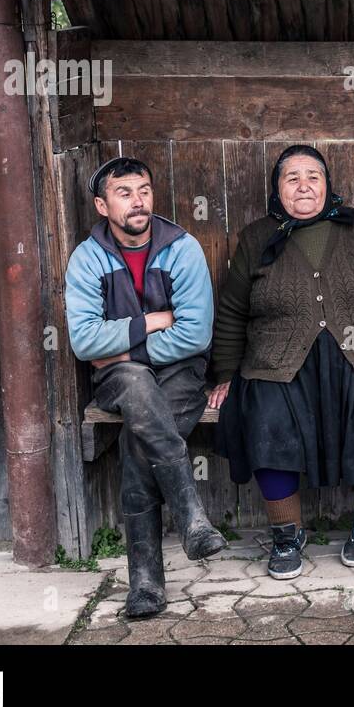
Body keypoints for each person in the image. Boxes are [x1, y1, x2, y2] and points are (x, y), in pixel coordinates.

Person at [210, 145, 354, 580]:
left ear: (327, 185)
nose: (304, 185)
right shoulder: (255, 237)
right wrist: (225, 375)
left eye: (313, 176)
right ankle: (287, 535)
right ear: (277, 189)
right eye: (292, 178)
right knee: (265, 416)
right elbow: (232, 312)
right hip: (275, 363)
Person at [65, 156, 224, 619]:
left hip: (182, 374)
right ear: (101, 204)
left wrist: (123, 344)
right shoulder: (87, 258)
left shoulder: (183, 248)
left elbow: (196, 334)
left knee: (139, 436)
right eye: (124, 193)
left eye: (144, 191)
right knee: (135, 385)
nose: (138, 202)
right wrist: (152, 321)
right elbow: (84, 341)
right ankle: (191, 515)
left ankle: (147, 584)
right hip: (118, 379)